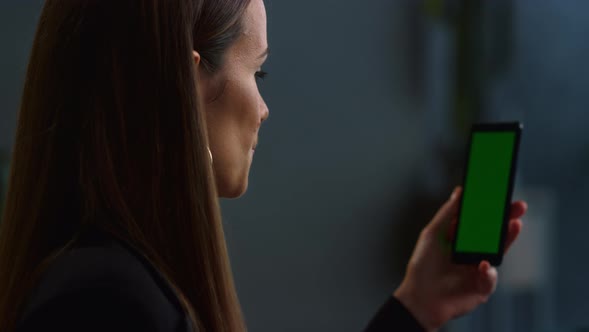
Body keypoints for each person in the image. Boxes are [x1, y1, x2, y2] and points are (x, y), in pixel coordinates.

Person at [0, 0, 527, 331]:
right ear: (186, 86)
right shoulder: (107, 302)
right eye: (260, 71)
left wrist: (418, 304)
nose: (264, 107)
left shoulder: (107, 281)